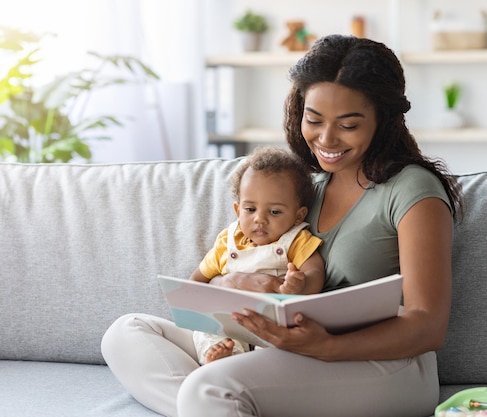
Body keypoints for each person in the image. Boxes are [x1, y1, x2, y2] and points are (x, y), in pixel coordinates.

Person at [101, 34, 463, 417]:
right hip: (281, 347)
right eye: (314, 119)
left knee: (209, 387)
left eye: (348, 125)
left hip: (386, 363)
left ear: (384, 121)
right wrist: (226, 286)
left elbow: (428, 325)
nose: (326, 139)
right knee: (128, 332)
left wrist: (327, 346)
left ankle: (215, 402)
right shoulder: (304, 189)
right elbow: (240, 259)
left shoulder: (413, 190)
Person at [189, 146, 324, 364]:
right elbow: (195, 283)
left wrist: (300, 286)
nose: (259, 219)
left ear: (298, 215)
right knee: (206, 329)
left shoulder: (295, 240)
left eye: (274, 212)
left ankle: (248, 369)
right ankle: (218, 356)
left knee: (281, 349)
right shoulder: (227, 241)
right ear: (237, 210)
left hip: (273, 329)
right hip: (231, 324)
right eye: (250, 209)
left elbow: (316, 272)